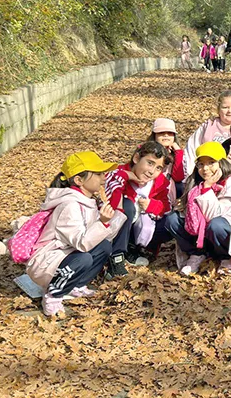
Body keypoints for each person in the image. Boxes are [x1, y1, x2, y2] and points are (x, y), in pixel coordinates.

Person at [26, 152, 127, 317]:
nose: (104, 178)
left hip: (66, 254)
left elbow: (103, 238)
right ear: (79, 180)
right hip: (47, 261)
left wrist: (116, 213)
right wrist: (102, 222)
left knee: (104, 247)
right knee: (84, 258)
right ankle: (53, 295)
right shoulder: (70, 205)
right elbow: (81, 243)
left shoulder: (88, 201)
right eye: (99, 174)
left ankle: (75, 285)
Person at [164, 142, 231, 275]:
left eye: (211, 162)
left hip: (225, 232)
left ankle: (227, 258)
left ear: (221, 163)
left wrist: (207, 188)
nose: (205, 169)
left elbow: (214, 215)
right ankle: (197, 254)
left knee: (216, 224)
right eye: (201, 164)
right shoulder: (195, 183)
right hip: (201, 233)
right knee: (172, 219)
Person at [103, 142, 171, 275]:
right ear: (136, 158)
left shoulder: (160, 182)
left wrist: (151, 205)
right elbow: (112, 201)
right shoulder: (119, 173)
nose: (152, 171)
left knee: (170, 222)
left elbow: (165, 206)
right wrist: (127, 176)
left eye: (158, 168)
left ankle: (132, 249)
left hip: (139, 226)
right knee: (127, 206)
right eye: (149, 163)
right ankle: (116, 256)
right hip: (112, 227)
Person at [183, 91, 231, 175]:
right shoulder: (208, 126)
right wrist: (190, 174)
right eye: (225, 107)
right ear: (218, 109)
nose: (230, 111)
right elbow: (192, 149)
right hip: (207, 173)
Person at [149, 118, 186, 200]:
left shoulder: (175, 153)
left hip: (169, 193)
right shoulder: (147, 152)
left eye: (170, 133)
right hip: (151, 192)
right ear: (154, 136)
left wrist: (178, 152)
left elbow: (178, 177)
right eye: (161, 133)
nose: (166, 135)